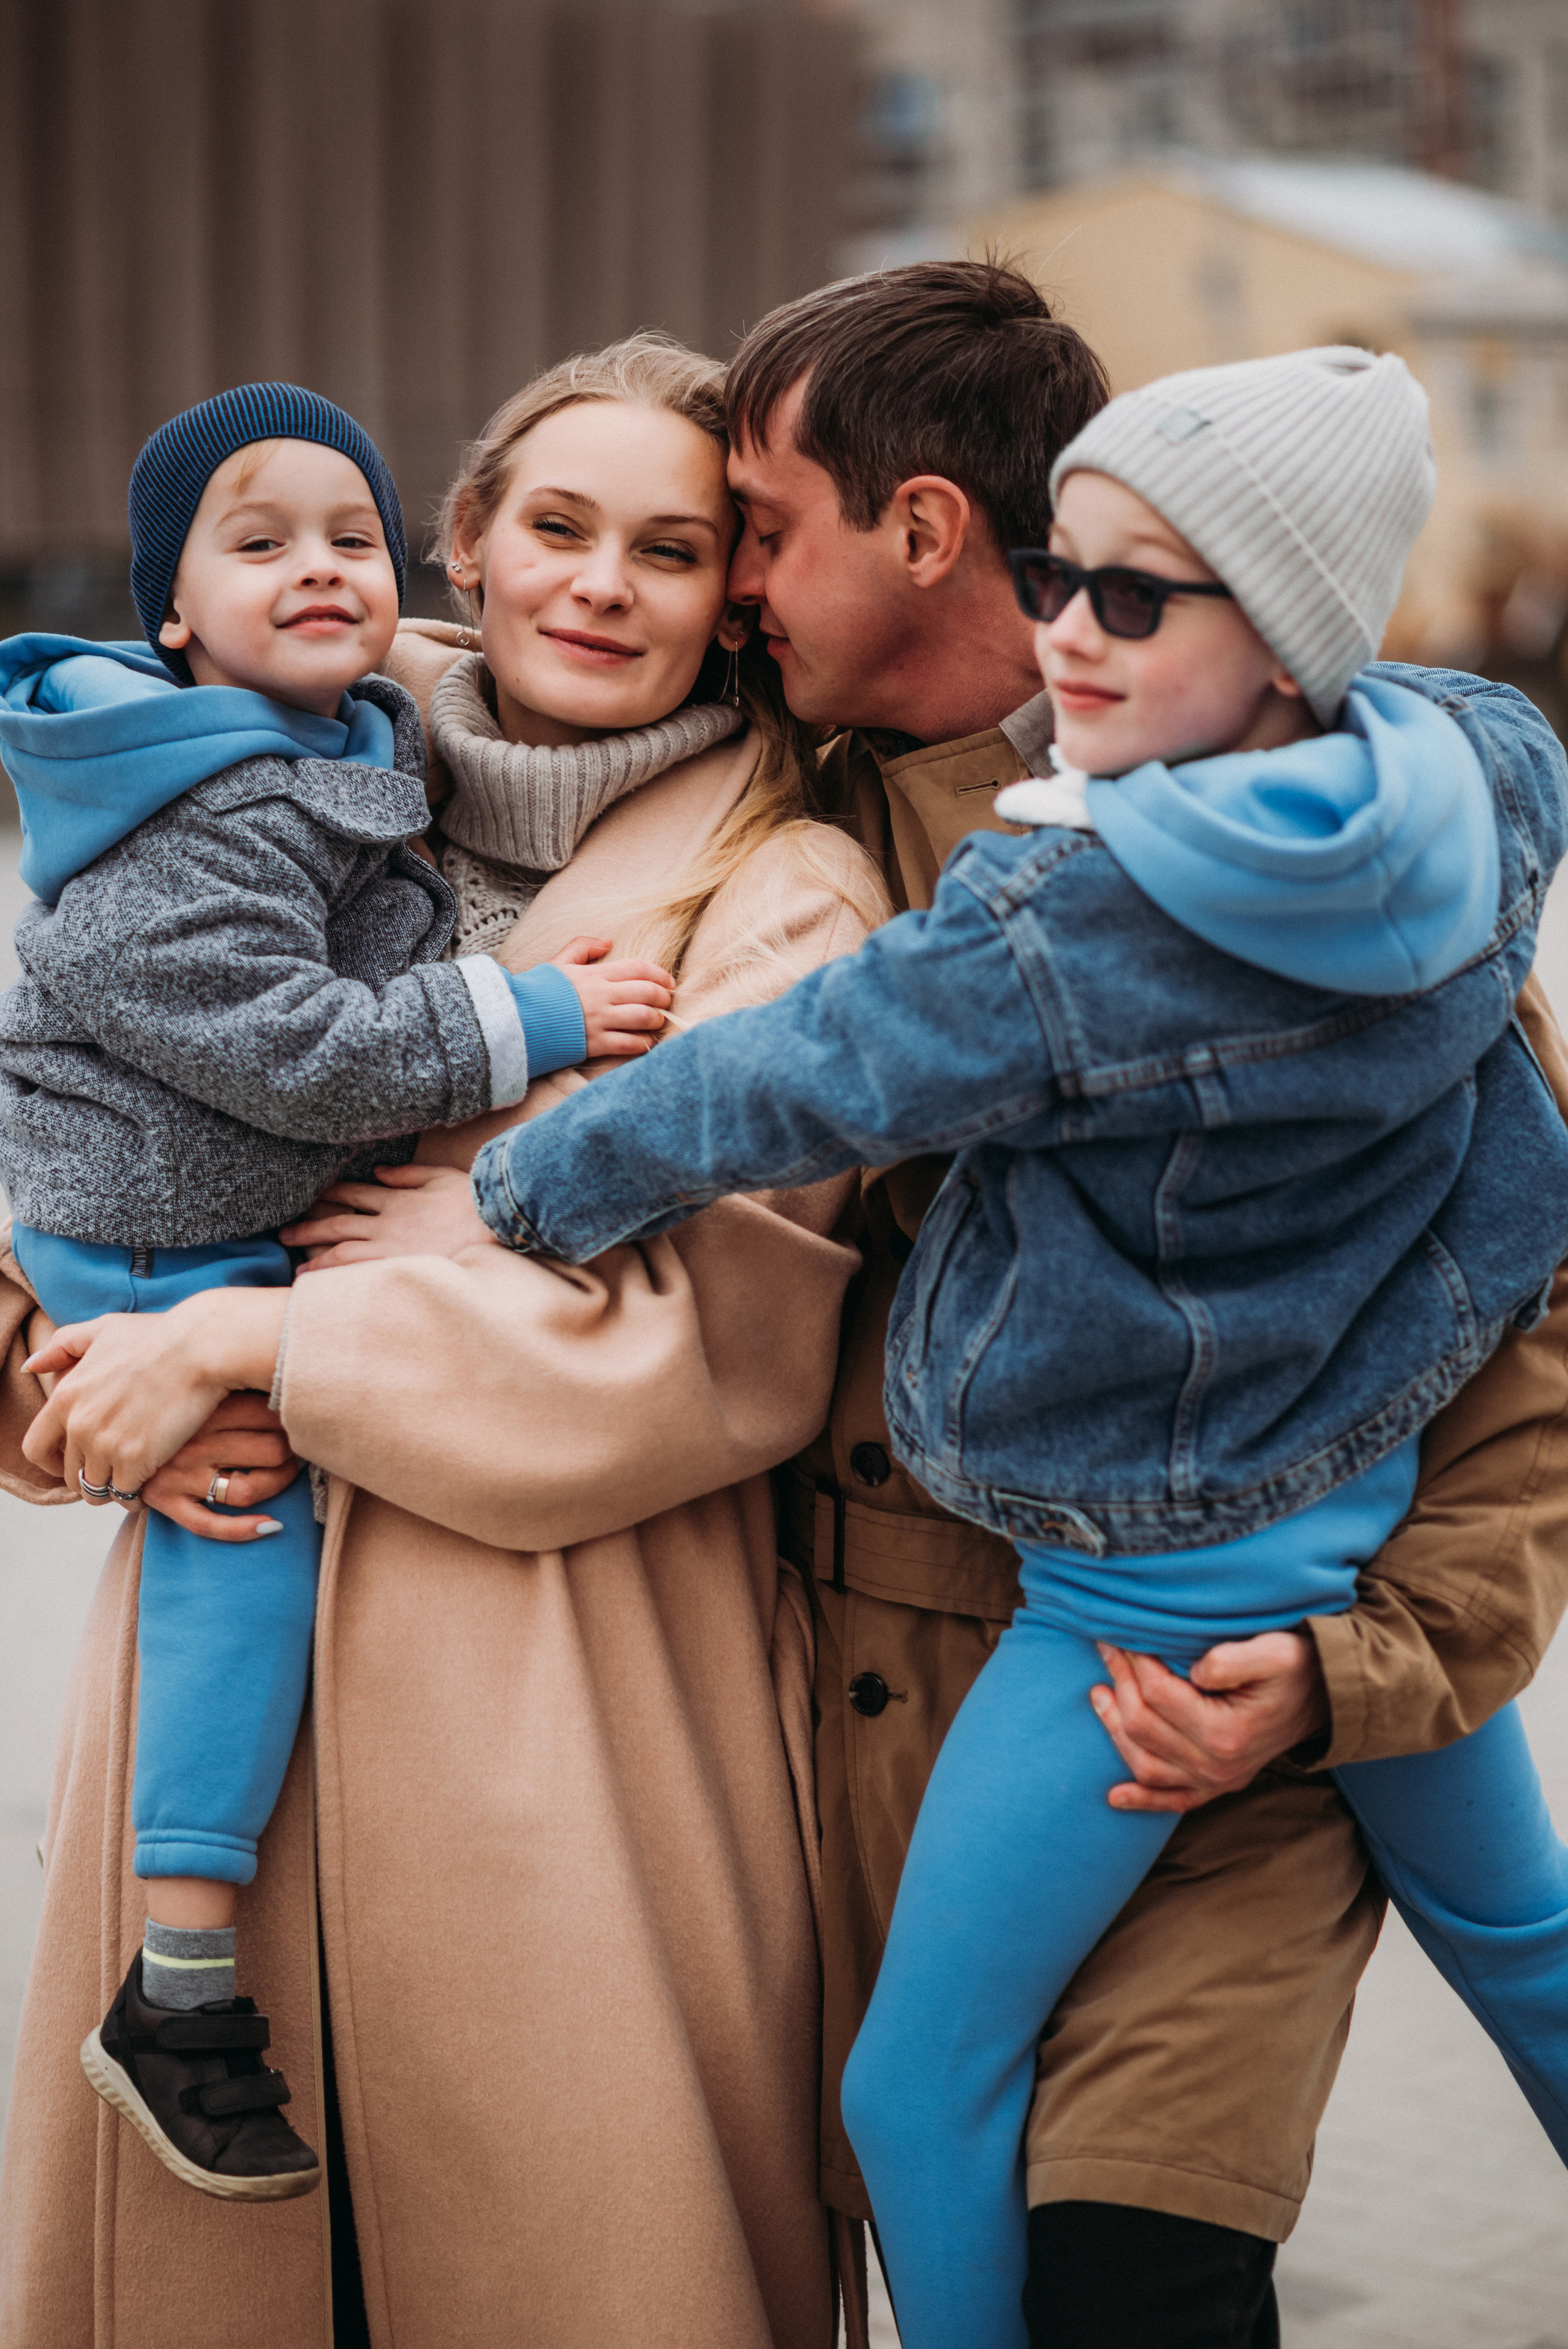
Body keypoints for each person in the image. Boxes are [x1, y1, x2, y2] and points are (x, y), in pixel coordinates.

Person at [457, 344, 1568, 2346]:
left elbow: (789, 1076)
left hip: (1142, 1624)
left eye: (751, 535)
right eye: (1072, 575)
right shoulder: (1471, 797)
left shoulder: (1056, 910)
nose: (1077, 623)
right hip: (1305, 1542)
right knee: (1535, 1950)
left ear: (919, 527)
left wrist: (523, 1191)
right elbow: (1517, 1207)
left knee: (977, 2144)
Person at [0, 338, 885, 2347]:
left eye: (670, 548)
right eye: (557, 526)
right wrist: (94, 1393)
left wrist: (267, 1340)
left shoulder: (781, 894)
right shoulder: (246, 776)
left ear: (730, 592)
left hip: (568, 1721)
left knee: (566, 2259)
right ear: (463, 542)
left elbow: (712, 1354)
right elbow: (68, 1154)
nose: (601, 583)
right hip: (221, 1714)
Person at [0, 382, 674, 2201]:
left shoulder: (331, 728)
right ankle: (180, 1977)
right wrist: (528, 1014)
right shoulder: (203, 797)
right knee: (247, 1532)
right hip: (164, 1232)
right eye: (259, 539)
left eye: (347, 538)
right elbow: (294, 1049)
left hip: (223, 1235)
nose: (317, 568)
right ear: (168, 607)